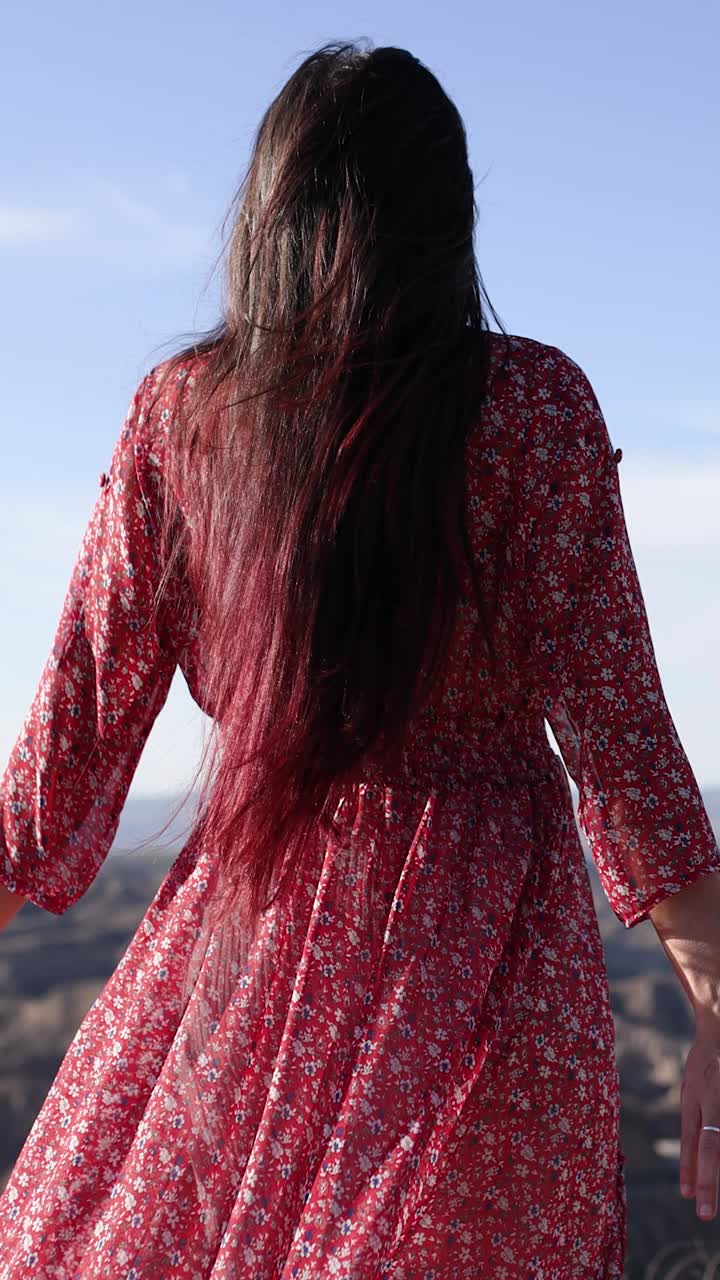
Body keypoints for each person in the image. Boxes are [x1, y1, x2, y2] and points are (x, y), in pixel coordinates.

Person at [0, 38, 718, 1280]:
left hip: (255, 942)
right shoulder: (537, 412)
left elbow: (60, 765)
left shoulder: (186, 421)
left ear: (267, 216)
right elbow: (626, 750)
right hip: (491, 968)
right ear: (455, 223)